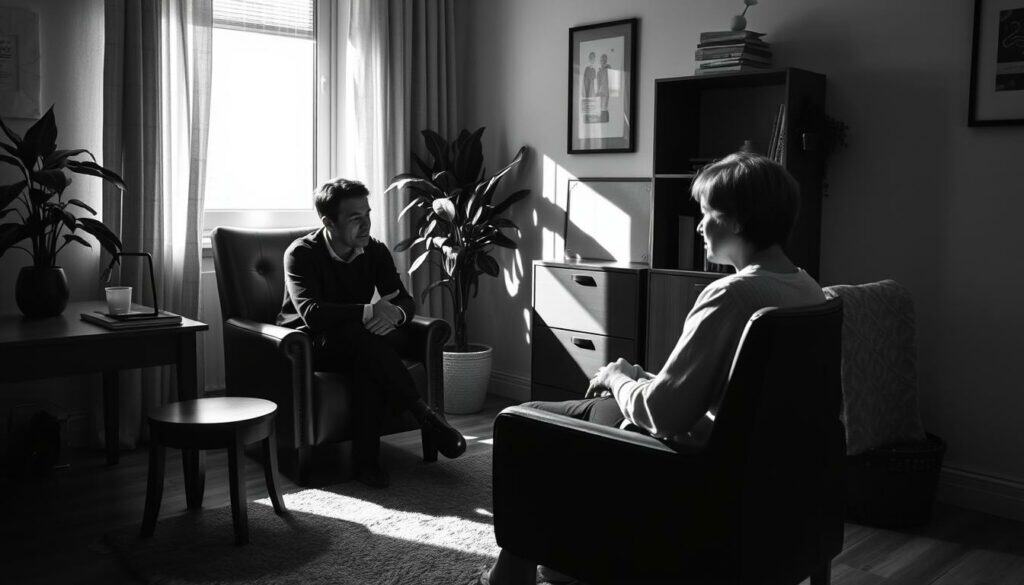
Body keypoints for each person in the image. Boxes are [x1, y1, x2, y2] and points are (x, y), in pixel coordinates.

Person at [481, 153, 826, 584]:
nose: (699, 225)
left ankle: (513, 573)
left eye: (706, 214)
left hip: (691, 470)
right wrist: (641, 380)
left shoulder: (733, 295)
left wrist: (615, 377)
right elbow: (732, 395)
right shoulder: (810, 289)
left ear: (737, 221)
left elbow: (664, 415)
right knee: (575, 415)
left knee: (522, 424)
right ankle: (565, 557)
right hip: (759, 473)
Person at [277, 178, 466, 489]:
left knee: (369, 357)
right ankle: (424, 416)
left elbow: (403, 298)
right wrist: (371, 310)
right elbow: (311, 312)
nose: (366, 224)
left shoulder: (374, 250)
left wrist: (397, 313)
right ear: (329, 222)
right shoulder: (301, 254)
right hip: (307, 344)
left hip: (357, 342)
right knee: (365, 340)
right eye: (355, 218)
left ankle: (368, 463)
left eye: (367, 214)